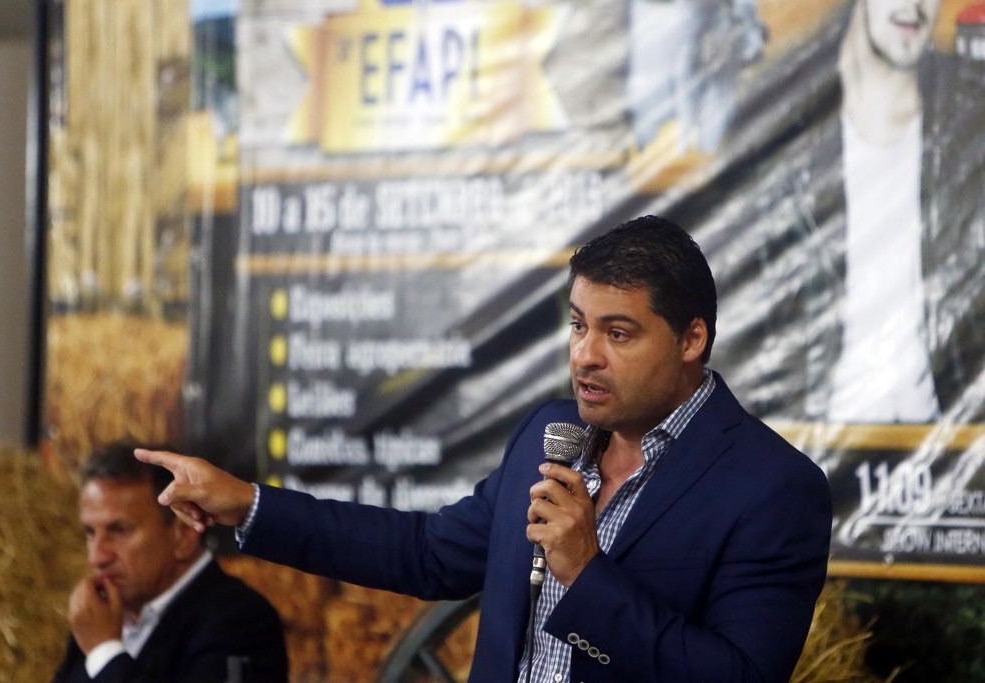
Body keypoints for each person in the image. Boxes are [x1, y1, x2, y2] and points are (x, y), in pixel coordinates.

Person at [137, 216, 832, 683]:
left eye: (617, 333)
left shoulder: (772, 487)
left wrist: (586, 573)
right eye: (578, 325)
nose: (585, 355)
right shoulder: (548, 436)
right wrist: (249, 504)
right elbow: (425, 552)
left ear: (691, 339)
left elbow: (738, 675)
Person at [52, 443, 289, 683]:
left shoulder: (239, 621)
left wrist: (105, 652)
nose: (97, 557)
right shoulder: (100, 616)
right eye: (90, 532)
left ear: (184, 534)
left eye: (120, 530)